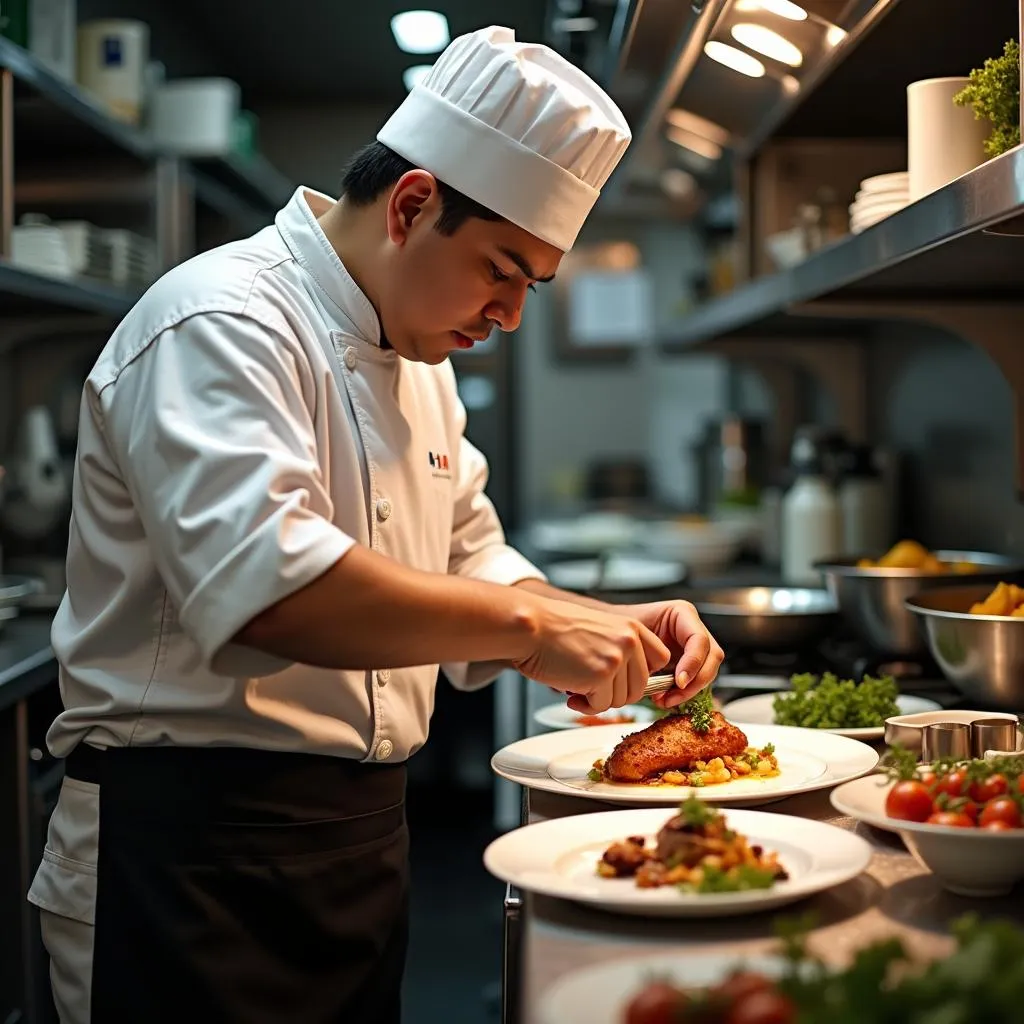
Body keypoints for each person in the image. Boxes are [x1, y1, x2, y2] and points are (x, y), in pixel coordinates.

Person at [28, 24, 724, 1024]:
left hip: (356, 846)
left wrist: (600, 621)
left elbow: (470, 552)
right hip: (188, 857)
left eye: (534, 285)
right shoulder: (221, 322)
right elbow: (278, 590)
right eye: (503, 271)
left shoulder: (421, 370)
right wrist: (535, 631)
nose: (510, 315)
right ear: (411, 205)